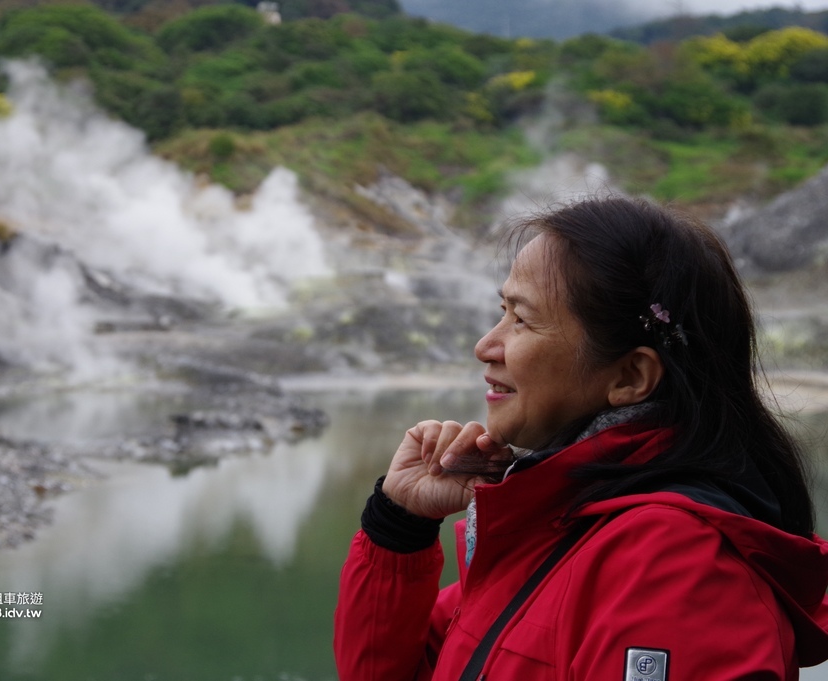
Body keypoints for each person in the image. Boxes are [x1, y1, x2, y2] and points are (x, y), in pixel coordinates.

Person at [334, 196, 828, 681]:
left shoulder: (671, 564)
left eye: (521, 319)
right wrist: (400, 525)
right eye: (501, 310)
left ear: (630, 376)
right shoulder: (552, 524)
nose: (485, 345)